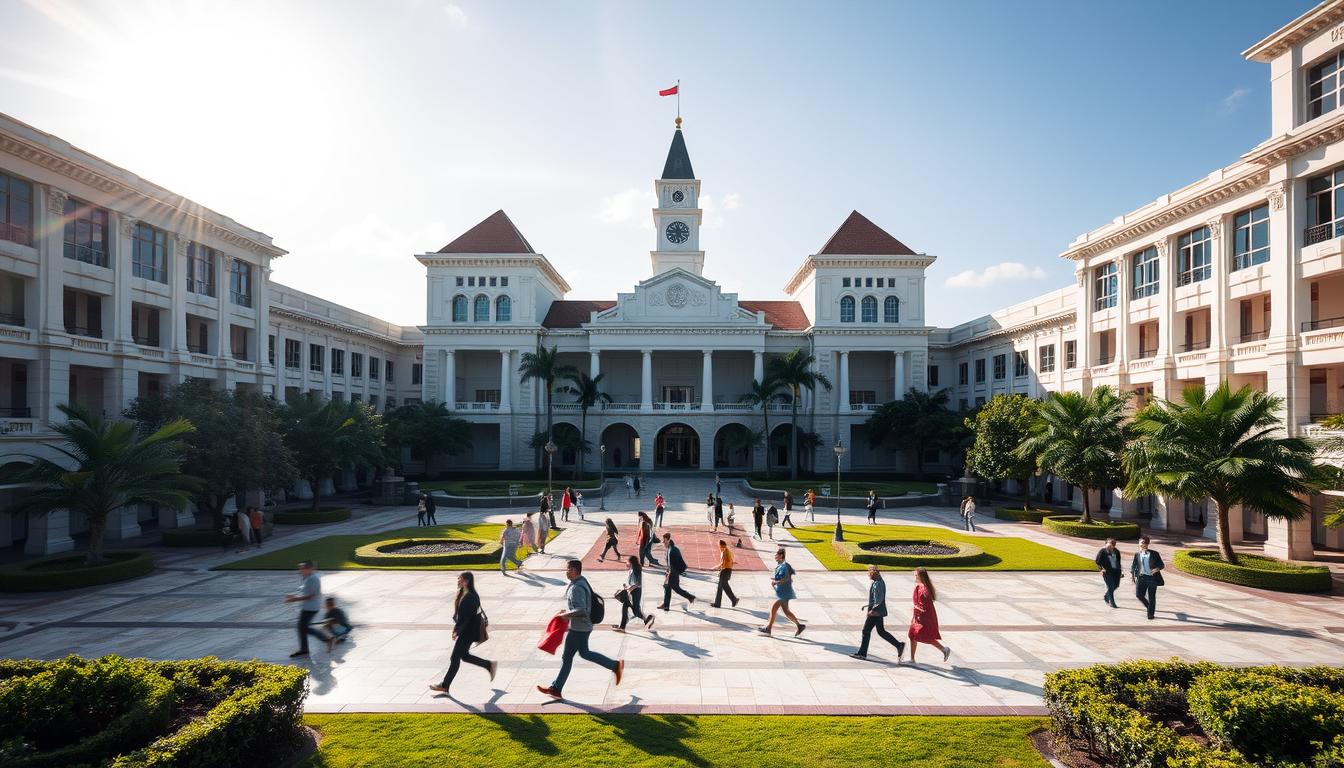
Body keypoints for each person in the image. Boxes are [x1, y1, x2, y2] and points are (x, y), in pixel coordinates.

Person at [537, 560, 624, 699]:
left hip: (579, 629)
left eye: (567, 569)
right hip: (581, 627)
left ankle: (556, 689)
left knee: (570, 657)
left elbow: (582, 610)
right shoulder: (581, 582)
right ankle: (556, 689)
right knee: (581, 654)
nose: (566, 571)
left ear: (574, 570)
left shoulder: (577, 587)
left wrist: (564, 616)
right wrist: (566, 612)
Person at [429, 572, 496, 693]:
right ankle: (488, 665)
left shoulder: (470, 596)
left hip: (468, 632)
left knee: (454, 658)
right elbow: (461, 616)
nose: (458, 581)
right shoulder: (464, 593)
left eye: (459, 579)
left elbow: (466, 618)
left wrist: (457, 631)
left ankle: (445, 685)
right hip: (467, 631)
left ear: (466, 581)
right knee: (464, 656)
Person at [850, 565, 906, 661]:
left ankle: (862, 653)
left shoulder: (877, 584)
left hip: (875, 613)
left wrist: (873, 610)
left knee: (866, 631)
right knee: (881, 631)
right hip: (878, 612)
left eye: (869, 574)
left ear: (873, 574)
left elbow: (879, 599)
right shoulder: (879, 581)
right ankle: (899, 645)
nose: (868, 576)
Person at [284, 560, 333, 657]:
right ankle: (305, 648)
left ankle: (326, 639)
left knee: (303, 628)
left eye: (302, 569)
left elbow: (311, 596)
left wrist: (294, 599)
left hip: (311, 608)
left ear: (309, 569)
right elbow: (305, 592)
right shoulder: (307, 578)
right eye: (300, 569)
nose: (300, 571)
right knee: (302, 627)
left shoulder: (313, 579)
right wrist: (294, 596)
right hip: (308, 607)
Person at [907, 566, 951, 664]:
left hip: (924, 617)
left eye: (916, 575)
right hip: (919, 616)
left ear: (920, 576)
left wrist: (916, 609)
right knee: (912, 635)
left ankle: (944, 649)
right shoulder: (920, 586)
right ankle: (912, 659)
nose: (914, 576)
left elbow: (925, 606)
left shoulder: (924, 589)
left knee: (925, 636)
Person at [760, 548, 804, 636]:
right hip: (784, 591)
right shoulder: (782, 565)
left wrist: (776, 582)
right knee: (786, 611)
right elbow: (788, 578)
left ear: (781, 556)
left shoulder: (784, 565)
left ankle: (768, 628)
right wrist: (776, 580)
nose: (775, 556)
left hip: (785, 592)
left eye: (776, 555)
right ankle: (799, 626)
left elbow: (787, 578)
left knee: (774, 608)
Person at [614, 556, 655, 632]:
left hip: (635, 593)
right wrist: (626, 587)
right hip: (631, 592)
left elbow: (637, 584)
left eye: (627, 562)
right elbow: (632, 583)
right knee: (625, 606)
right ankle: (622, 627)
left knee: (636, 611)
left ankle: (649, 618)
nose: (626, 563)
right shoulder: (631, 570)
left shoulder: (636, 570)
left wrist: (628, 589)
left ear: (631, 563)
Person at [658, 532, 697, 610]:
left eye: (664, 541)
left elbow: (673, 566)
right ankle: (667, 605)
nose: (663, 543)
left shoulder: (672, 551)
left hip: (673, 573)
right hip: (673, 572)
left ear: (668, 540)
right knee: (672, 588)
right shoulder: (671, 549)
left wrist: (668, 576)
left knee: (669, 587)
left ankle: (667, 605)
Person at [1131, 536, 1165, 620]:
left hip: (1152, 578)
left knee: (1152, 597)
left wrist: (1157, 569)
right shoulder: (1137, 554)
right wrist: (1133, 576)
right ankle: (1149, 607)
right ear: (1139, 543)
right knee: (1139, 595)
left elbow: (1161, 564)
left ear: (1148, 544)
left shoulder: (1155, 553)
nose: (1143, 544)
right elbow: (1134, 566)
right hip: (1141, 577)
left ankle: (1150, 614)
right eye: (1142, 542)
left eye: (1145, 542)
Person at [1095, 537, 1123, 608]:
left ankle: (1106, 596)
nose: (1110, 545)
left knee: (1116, 585)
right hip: (1107, 571)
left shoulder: (1117, 551)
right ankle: (1112, 602)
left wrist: (1121, 571)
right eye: (1109, 544)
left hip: (1116, 571)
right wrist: (1101, 569)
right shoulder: (1102, 551)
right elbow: (1097, 561)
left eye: (1112, 544)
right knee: (1110, 587)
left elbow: (1118, 562)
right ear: (1106, 543)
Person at [711, 539, 739, 608]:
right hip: (728, 571)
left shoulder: (724, 552)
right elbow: (731, 561)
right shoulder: (728, 551)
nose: (719, 548)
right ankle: (732, 600)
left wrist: (715, 567)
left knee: (722, 587)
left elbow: (723, 563)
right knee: (723, 587)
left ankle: (732, 600)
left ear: (722, 545)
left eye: (719, 546)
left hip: (725, 571)